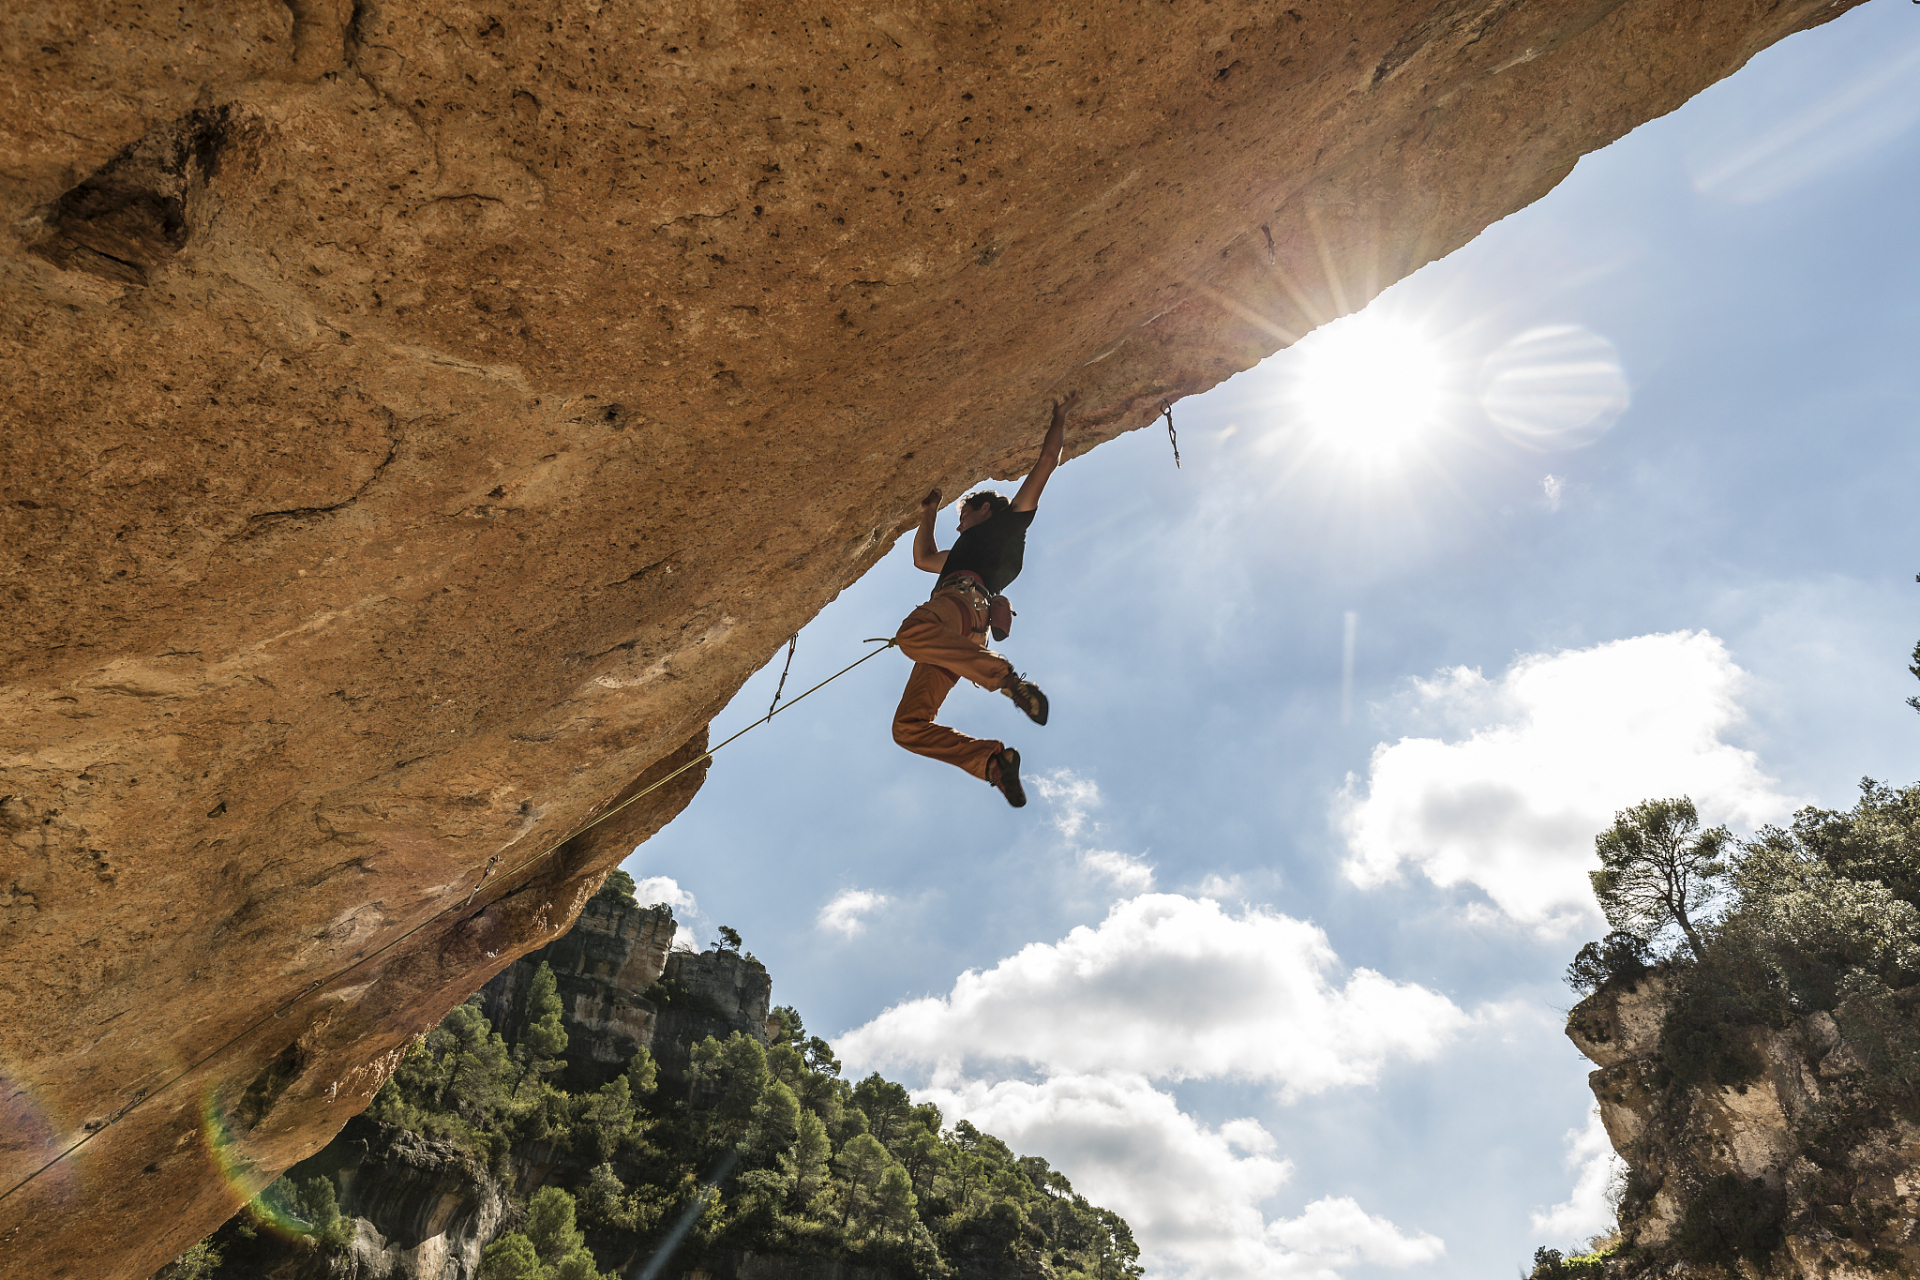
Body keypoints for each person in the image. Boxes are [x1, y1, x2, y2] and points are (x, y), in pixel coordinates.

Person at [890, 393, 1077, 807]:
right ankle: (993, 763)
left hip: (961, 606)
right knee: (907, 728)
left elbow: (1046, 462)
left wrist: (1060, 415)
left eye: (965, 517)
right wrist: (929, 512)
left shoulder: (1009, 525)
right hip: (961, 638)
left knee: (911, 633)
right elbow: (923, 558)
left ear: (986, 509)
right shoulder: (963, 549)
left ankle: (1007, 681)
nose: (959, 528)